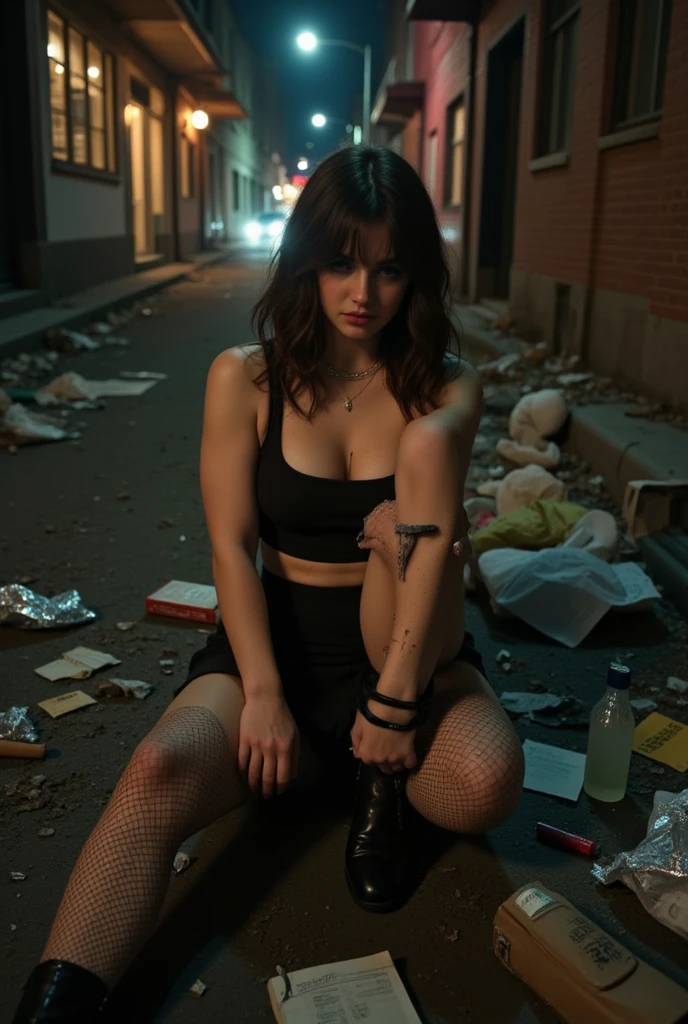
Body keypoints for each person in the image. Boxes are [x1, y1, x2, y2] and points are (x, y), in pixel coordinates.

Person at [12, 145, 524, 1022]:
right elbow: (229, 547)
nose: (363, 291)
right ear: (307, 261)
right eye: (340, 262)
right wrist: (261, 693)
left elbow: (435, 552)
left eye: (390, 266)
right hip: (278, 642)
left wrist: (394, 708)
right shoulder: (243, 379)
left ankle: (376, 772)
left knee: (486, 781)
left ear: (418, 275)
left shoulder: (449, 386)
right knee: (154, 773)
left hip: (404, 644)